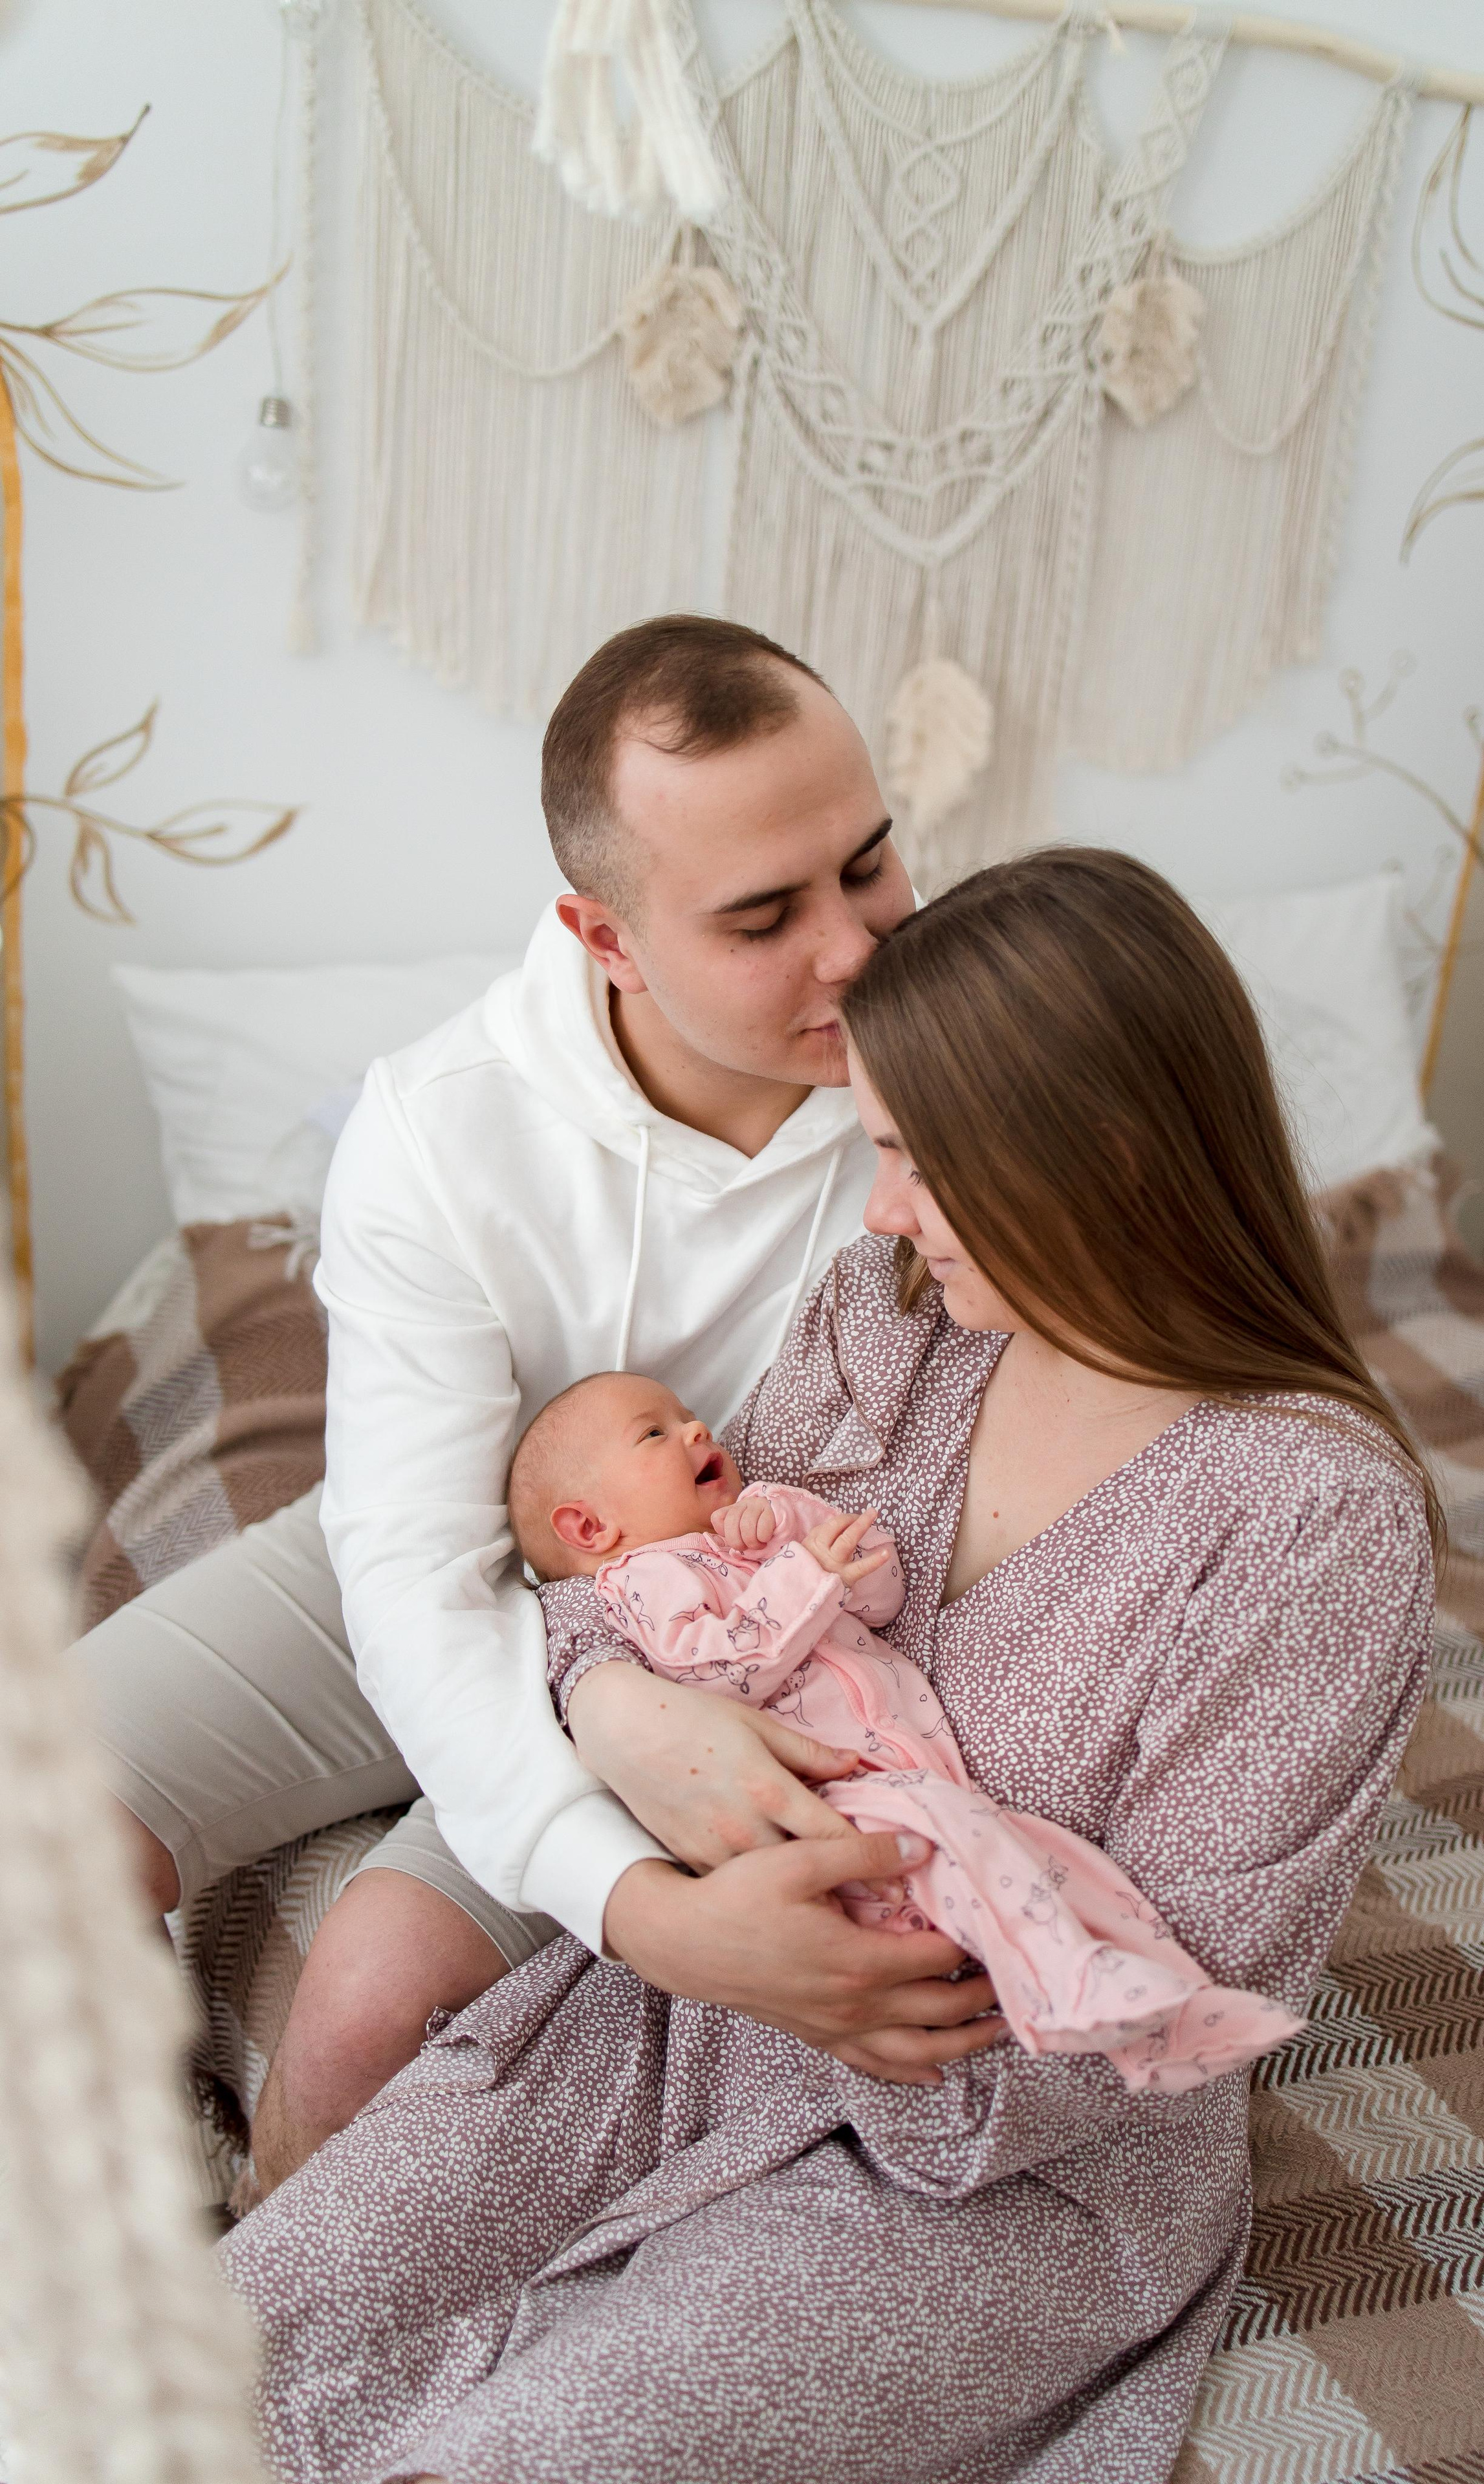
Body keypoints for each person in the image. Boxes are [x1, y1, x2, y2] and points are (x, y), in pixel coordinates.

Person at [222, 846, 1439, 2484]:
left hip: (996, 2164)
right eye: (876, 1151)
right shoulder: (887, 1320)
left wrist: (844, 1993)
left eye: (916, 1161)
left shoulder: (1311, 1518)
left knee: (526, 2452)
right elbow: (619, 1586)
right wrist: (621, 1711)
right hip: (670, 2018)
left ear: (1097, 1151)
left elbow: (1203, 1964)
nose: (880, 1211)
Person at [74, 616, 1003, 2197]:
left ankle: (279, 2306)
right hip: (469, 1554)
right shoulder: (438, 1129)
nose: (852, 949)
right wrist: (641, 1907)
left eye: (867, 865)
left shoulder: (969, 1065)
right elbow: (412, 1570)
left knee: (358, 2011)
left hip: (745, 1620)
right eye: (762, 915)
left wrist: (639, 1708)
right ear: (605, 937)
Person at [508, 1371, 1299, 2076]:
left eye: (686, 1415)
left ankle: (1171, 1999)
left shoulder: (751, 1539)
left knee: (1043, 1853)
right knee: (974, 1849)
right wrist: (801, 1573)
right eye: (654, 1433)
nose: (695, 1429)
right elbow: (715, 1671)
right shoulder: (641, 1581)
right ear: (589, 1528)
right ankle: (1067, 1987)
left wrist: (799, 1526)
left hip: (914, 1774)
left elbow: (880, 1598)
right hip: (828, 1795)